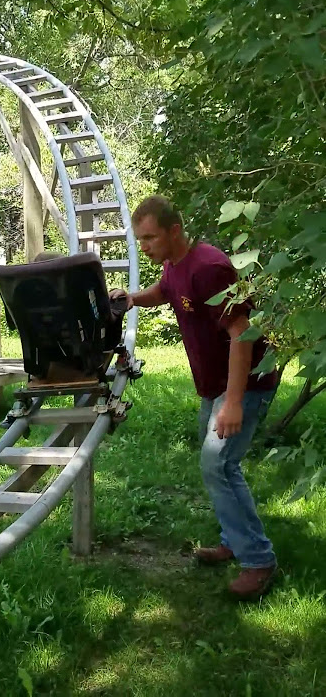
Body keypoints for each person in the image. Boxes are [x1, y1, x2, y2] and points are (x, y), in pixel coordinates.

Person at [111, 195, 278, 600]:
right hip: (214, 386)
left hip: (246, 383)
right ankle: (235, 541)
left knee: (217, 463)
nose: (145, 246)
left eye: (150, 238)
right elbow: (165, 290)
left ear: (174, 231)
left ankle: (258, 560)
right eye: (140, 239)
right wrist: (133, 298)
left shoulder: (210, 268)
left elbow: (241, 332)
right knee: (222, 467)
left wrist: (234, 402)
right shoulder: (175, 264)